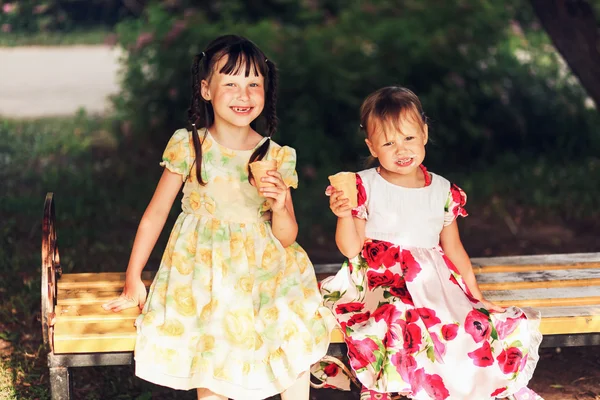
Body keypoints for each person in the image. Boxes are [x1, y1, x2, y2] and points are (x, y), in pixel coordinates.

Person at [102, 34, 334, 400]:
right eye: (231, 83)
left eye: (253, 84)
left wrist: (277, 205)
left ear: (265, 90)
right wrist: (134, 277)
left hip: (264, 270)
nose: (244, 95)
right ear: (206, 89)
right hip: (203, 272)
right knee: (211, 350)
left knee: (291, 336)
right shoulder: (190, 144)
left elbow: (287, 235)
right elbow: (156, 214)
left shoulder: (274, 155)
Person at [320, 86, 543, 400]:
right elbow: (350, 248)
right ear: (372, 146)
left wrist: (475, 296)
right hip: (378, 279)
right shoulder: (363, 185)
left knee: (467, 324)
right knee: (398, 314)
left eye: (409, 138)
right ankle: (399, 388)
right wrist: (344, 214)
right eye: (388, 142)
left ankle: (452, 388)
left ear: (424, 133)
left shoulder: (442, 190)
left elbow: (453, 249)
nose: (401, 149)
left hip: (431, 280)